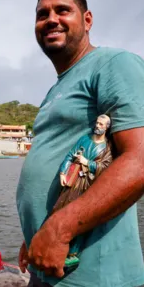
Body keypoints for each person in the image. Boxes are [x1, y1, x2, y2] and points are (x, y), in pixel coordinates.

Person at [16, 0, 144, 287]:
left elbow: (142, 162)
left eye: (63, 10)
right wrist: (36, 233)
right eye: (42, 14)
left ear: (87, 20)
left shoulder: (115, 64)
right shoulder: (58, 87)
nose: (51, 19)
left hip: (89, 278)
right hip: (47, 265)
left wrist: (58, 231)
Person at [48, 114, 113, 270]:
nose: (98, 125)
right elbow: (70, 155)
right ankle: (55, 246)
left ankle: (73, 254)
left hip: (89, 186)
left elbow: (105, 168)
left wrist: (87, 162)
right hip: (73, 181)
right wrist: (63, 172)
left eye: (101, 124)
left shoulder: (107, 148)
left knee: (80, 218)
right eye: (97, 122)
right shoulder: (84, 139)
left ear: (107, 127)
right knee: (60, 210)